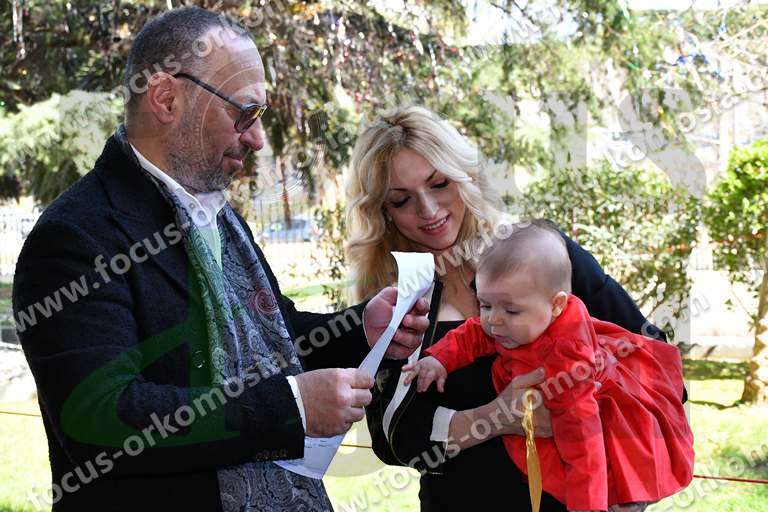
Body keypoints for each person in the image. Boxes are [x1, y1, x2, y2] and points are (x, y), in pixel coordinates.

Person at [12, 8, 428, 512]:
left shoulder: (215, 213)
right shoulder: (76, 235)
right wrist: (291, 407)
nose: (257, 138)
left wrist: (360, 329)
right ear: (166, 98)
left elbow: (270, 335)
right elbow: (100, 420)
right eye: (244, 113)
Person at [345, 105, 683, 511]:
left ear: (466, 176)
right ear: (382, 212)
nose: (429, 210)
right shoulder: (394, 299)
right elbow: (394, 440)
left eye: (439, 184)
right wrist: (495, 417)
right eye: (402, 200)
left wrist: (627, 464)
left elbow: (655, 359)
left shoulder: (539, 251)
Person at [403, 220, 695, 512]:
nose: (493, 320)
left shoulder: (568, 361)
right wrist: (438, 359)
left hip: (595, 425)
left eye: (510, 310)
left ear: (556, 305)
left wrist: (586, 505)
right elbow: (472, 334)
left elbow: (583, 439)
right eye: (485, 305)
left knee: (600, 468)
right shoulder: (516, 317)